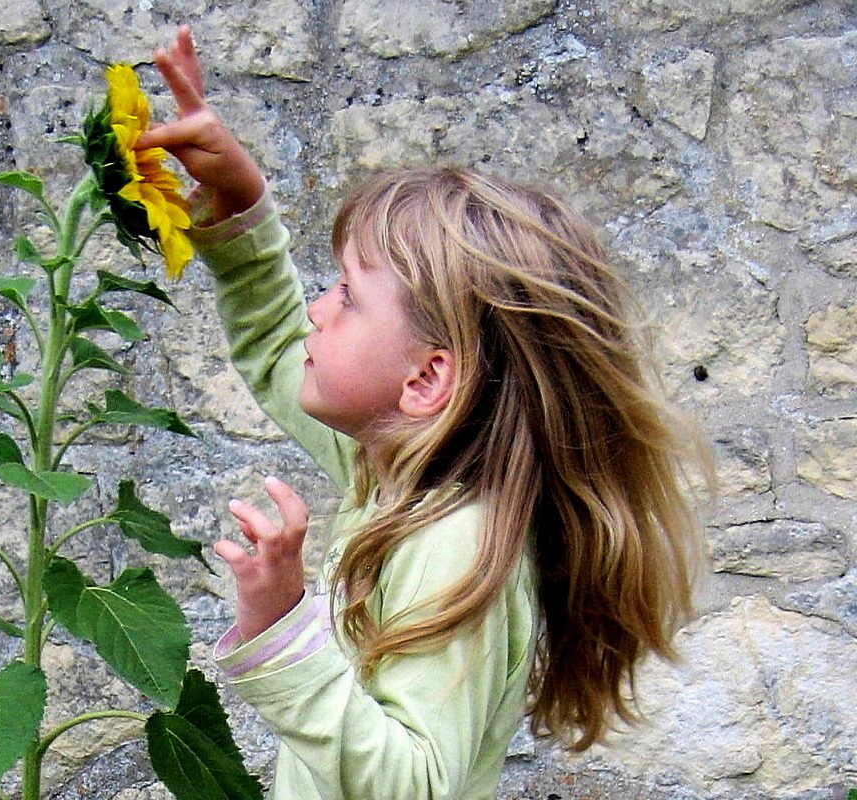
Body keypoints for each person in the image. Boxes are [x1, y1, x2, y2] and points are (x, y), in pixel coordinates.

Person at [138, 26, 707, 800]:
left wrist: (283, 628)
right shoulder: (399, 468)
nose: (316, 311)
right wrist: (240, 214)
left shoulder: (456, 545)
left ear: (426, 380)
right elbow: (278, 349)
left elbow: (414, 785)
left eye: (345, 295)